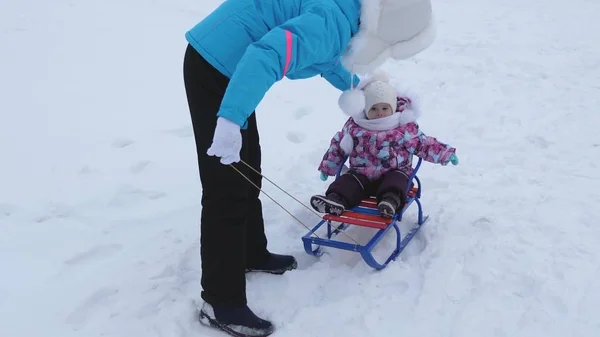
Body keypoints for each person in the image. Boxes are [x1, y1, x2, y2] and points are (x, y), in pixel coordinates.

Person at [182, 0, 436, 336]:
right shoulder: (332, 22)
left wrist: (354, 87)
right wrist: (230, 120)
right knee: (225, 185)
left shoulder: (347, 12)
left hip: (237, 65)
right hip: (215, 64)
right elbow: (267, 55)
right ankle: (220, 300)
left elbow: (325, 55)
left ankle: (250, 252)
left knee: (249, 166)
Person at [311, 73, 458, 218]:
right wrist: (328, 166)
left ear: (393, 107)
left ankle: (389, 202)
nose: (380, 113)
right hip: (362, 175)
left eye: (384, 108)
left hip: (394, 173)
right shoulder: (355, 127)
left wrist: (445, 153)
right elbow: (338, 146)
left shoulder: (403, 128)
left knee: (397, 182)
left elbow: (424, 144)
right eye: (374, 109)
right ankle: (335, 200)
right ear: (365, 110)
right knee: (346, 182)